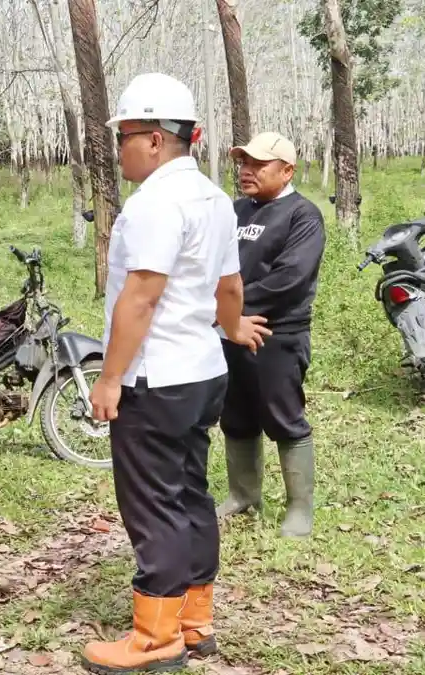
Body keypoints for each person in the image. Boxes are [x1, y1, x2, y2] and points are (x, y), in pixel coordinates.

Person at [81, 73, 271, 674]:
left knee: (153, 503)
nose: (121, 150)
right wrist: (233, 326)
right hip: (201, 372)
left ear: (157, 139)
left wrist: (109, 379)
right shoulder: (214, 199)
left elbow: (140, 297)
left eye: (126, 136)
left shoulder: (155, 205)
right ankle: (194, 619)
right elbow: (230, 285)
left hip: (154, 378)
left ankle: (155, 639)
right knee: (189, 494)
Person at [216, 132, 324, 538]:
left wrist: (230, 306)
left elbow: (290, 279)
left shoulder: (302, 215)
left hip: (277, 334)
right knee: (236, 415)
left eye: (259, 165)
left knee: (284, 418)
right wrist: (225, 313)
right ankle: (244, 495)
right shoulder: (236, 210)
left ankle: (299, 509)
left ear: (287, 170)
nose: (247, 171)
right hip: (230, 331)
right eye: (243, 162)